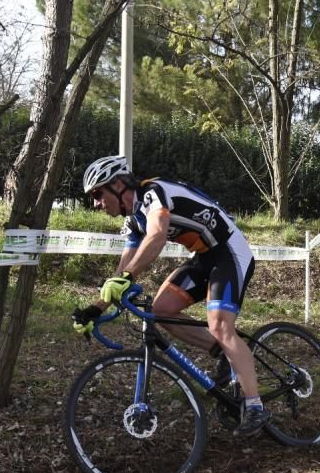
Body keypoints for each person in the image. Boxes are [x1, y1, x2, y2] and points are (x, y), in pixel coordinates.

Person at [71, 155, 269, 437]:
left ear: (117, 185)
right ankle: (225, 354)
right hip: (203, 255)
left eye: (98, 194)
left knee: (220, 325)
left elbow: (157, 236)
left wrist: (126, 279)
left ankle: (255, 405)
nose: (96, 203)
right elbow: (123, 270)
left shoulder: (152, 193)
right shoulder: (133, 221)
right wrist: (95, 308)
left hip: (229, 251)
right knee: (161, 310)